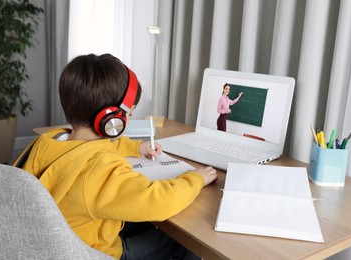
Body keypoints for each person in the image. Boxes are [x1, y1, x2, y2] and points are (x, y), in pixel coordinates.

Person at [14, 54, 217, 259]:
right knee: (185, 242)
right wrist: (196, 179)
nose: (129, 119)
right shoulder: (102, 167)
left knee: (141, 222)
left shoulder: (49, 139)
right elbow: (159, 201)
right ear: (111, 119)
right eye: (129, 113)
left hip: (54, 243)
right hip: (94, 252)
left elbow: (85, 150)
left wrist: (136, 148)